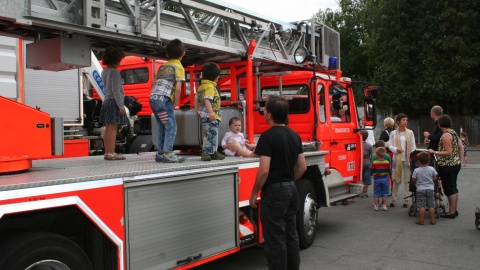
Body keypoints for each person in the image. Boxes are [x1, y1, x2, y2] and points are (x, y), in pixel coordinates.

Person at [248, 95, 307, 270]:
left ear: (270, 115)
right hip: (291, 190)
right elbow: (302, 167)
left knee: (275, 239)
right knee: (291, 235)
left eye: (265, 109)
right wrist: (289, 181)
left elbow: (264, 170)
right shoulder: (294, 135)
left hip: (274, 193)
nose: (263, 112)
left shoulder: (267, 137)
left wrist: (254, 192)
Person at [149, 39, 186, 163]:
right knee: (171, 126)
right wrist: (175, 103)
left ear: (167, 55)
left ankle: (160, 153)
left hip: (153, 97)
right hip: (164, 99)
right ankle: (168, 153)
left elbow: (154, 83)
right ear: (183, 54)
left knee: (162, 126)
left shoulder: (163, 66)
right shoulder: (179, 67)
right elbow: (178, 88)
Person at [428, 114, 464, 219]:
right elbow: (460, 147)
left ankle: (451, 212)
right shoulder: (453, 132)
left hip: (447, 165)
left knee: (449, 189)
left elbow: (448, 152)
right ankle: (454, 209)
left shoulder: (445, 136)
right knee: (453, 187)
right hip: (455, 163)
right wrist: (460, 161)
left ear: (440, 124)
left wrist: (434, 151)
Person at [100, 46, 128, 161]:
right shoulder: (115, 73)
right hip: (114, 102)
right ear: (116, 59)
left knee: (107, 128)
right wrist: (121, 106)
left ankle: (107, 152)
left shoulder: (104, 71)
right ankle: (112, 153)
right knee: (113, 128)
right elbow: (116, 90)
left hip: (106, 101)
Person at [195, 62, 225, 161]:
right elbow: (207, 99)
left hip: (204, 115)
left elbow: (196, 98)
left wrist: (196, 110)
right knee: (211, 134)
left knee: (209, 134)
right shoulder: (210, 87)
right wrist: (211, 112)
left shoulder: (201, 86)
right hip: (211, 116)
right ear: (217, 77)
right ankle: (206, 153)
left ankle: (213, 152)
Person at [388, 113, 416, 208]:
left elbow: (413, 146)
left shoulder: (410, 132)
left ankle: (406, 199)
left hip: (408, 159)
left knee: (407, 180)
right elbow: (390, 145)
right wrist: (396, 149)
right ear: (398, 122)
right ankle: (394, 199)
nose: (405, 122)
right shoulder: (393, 133)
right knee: (396, 179)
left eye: (406, 120)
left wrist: (412, 156)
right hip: (397, 158)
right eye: (403, 120)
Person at [411, 151, 438, 225]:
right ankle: (433, 220)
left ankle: (421, 220)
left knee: (421, 205)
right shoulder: (431, 169)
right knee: (431, 205)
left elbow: (413, 179)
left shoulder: (416, 170)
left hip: (420, 189)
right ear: (429, 160)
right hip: (430, 188)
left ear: (418, 161)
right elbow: (435, 177)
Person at [371, 147, 390, 211]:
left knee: (376, 193)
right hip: (385, 178)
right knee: (385, 193)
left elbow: (372, 170)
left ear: (377, 154)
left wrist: (373, 174)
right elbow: (388, 170)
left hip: (377, 179)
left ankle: (376, 206)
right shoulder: (387, 162)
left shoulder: (375, 162)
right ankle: (384, 205)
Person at [379, 117, 394, 194]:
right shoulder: (395, 132)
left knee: (385, 172)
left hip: (386, 154)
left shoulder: (384, 132)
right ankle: (392, 190)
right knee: (392, 173)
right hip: (394, 154)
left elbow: (380, 144)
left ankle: (386, 189)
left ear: (386, 124)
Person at [360, 130, 374, 198]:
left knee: (360, 178)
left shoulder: (358, 144)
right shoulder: (369, 146)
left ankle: (360, 191)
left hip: (360, 163)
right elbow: (372, 155)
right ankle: (365, 191)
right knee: (367, 177)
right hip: (367, 162)